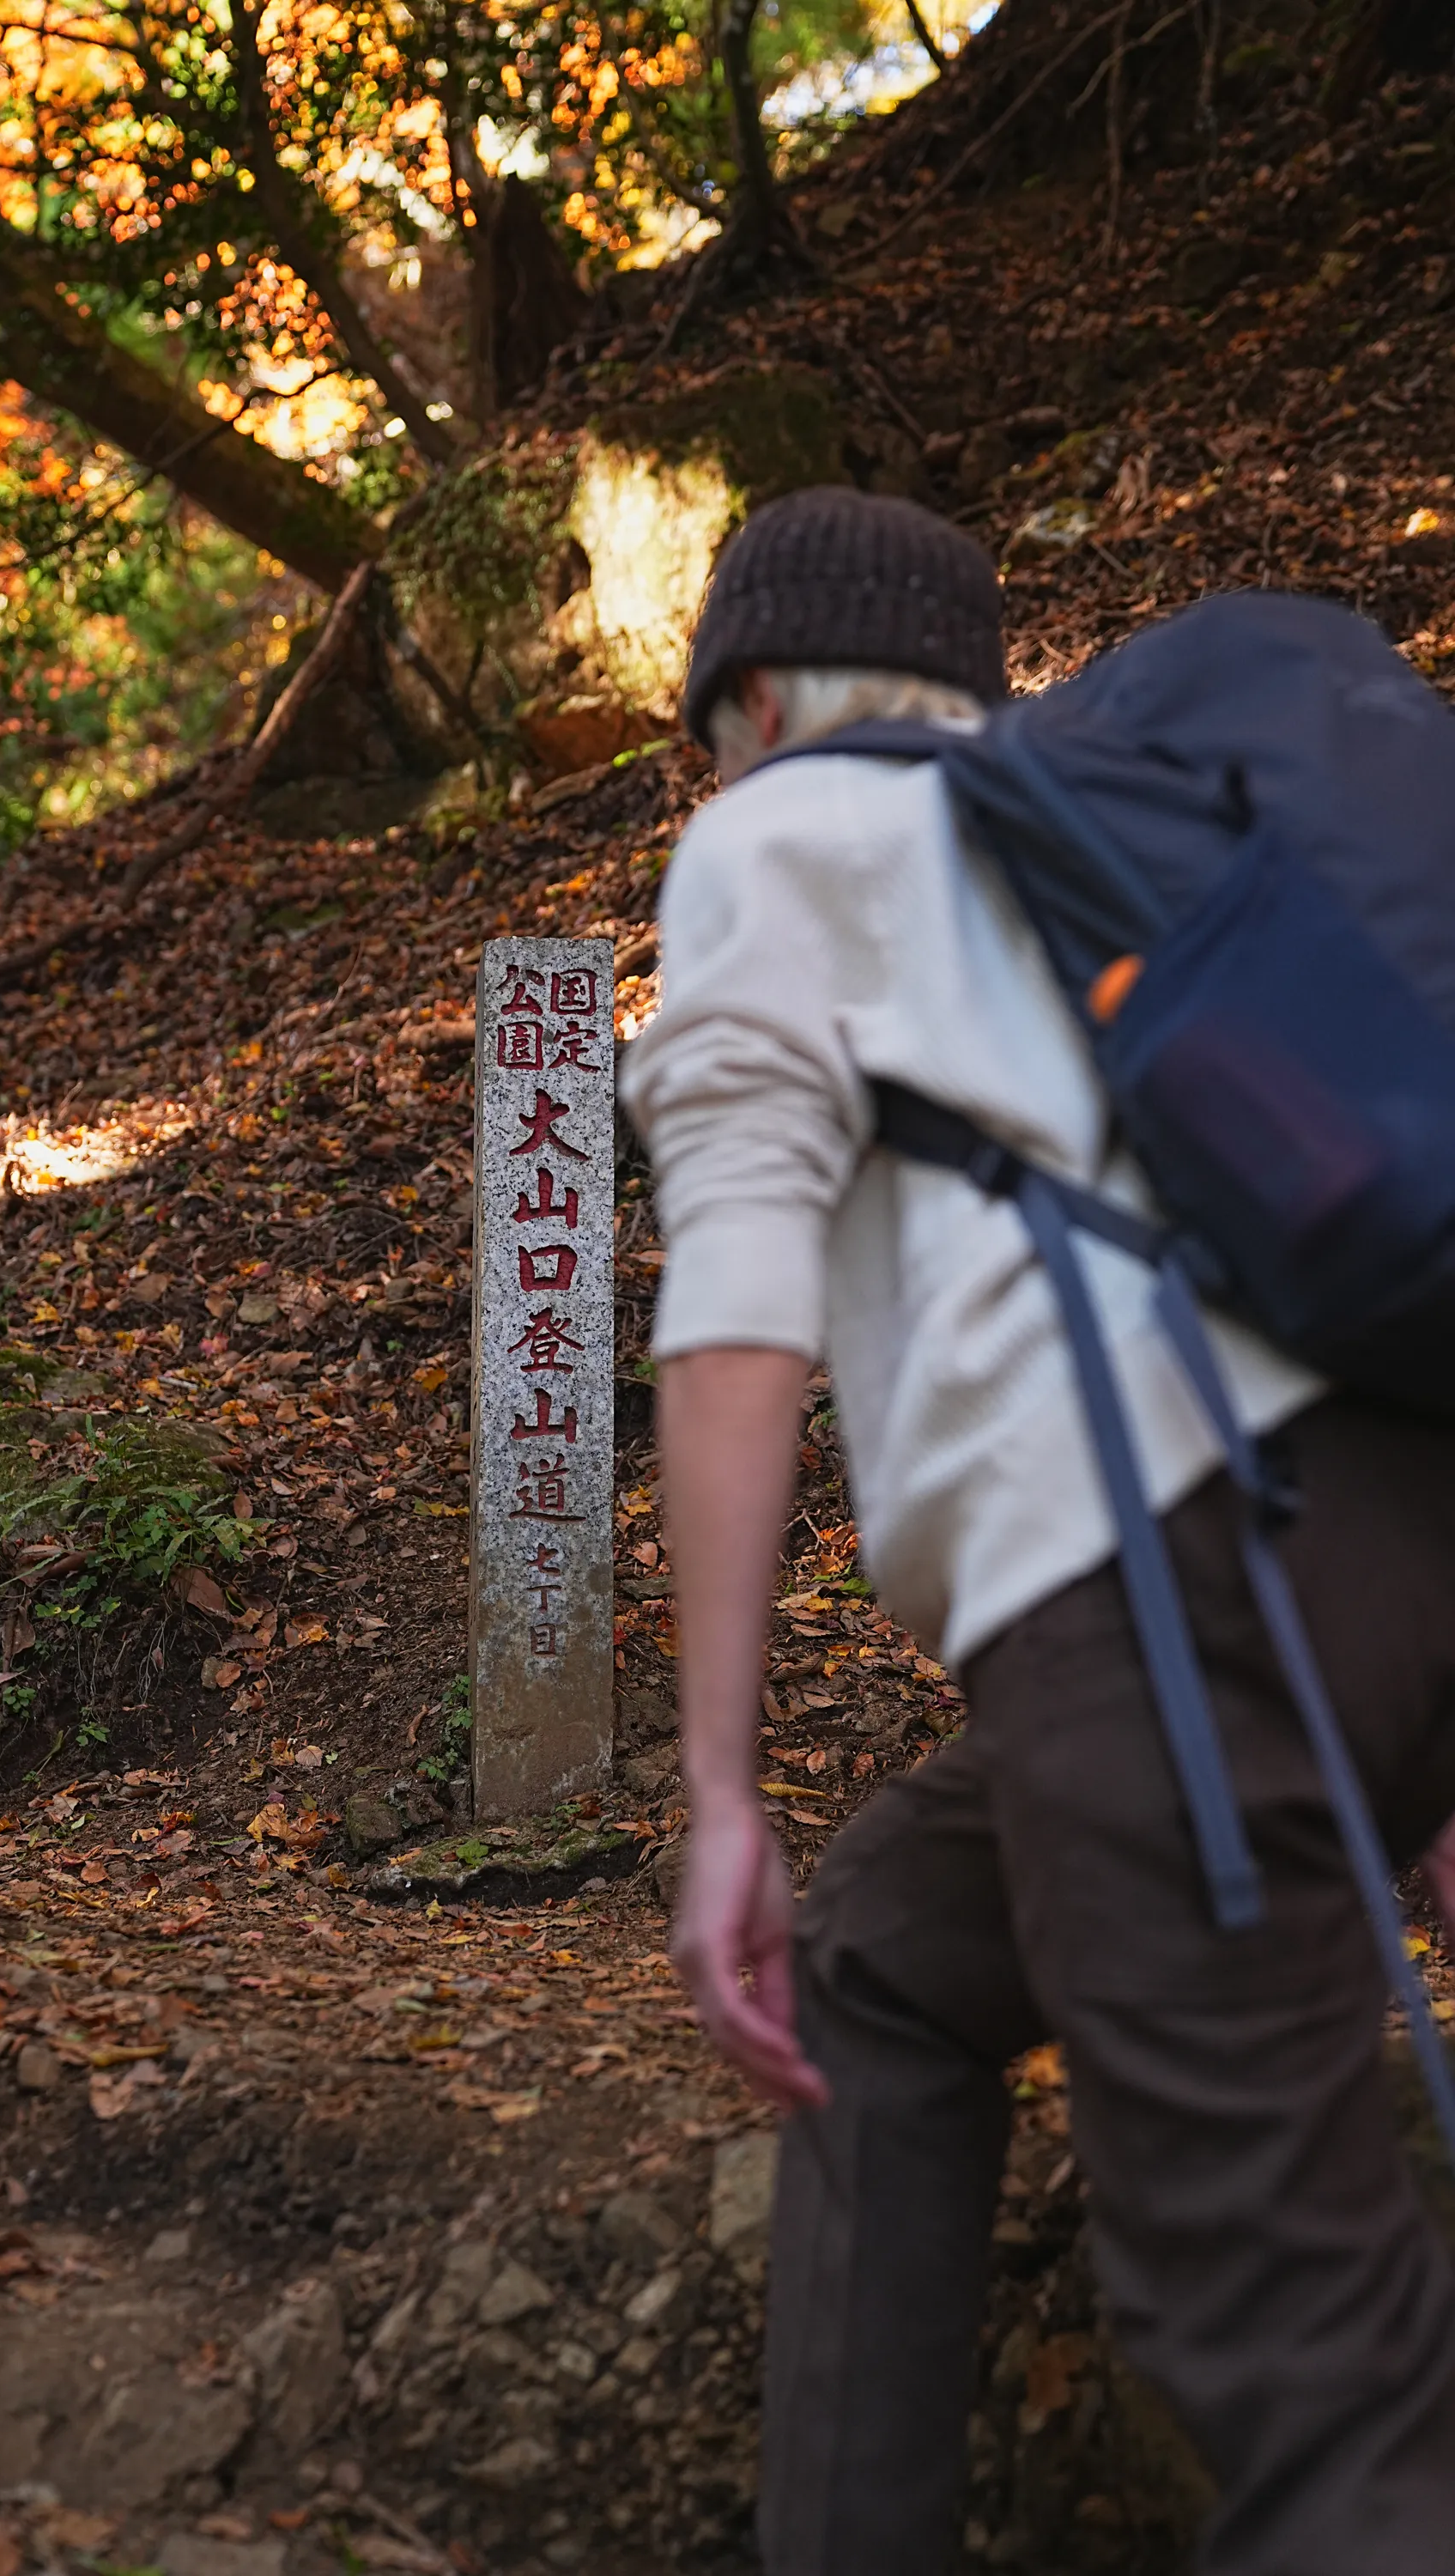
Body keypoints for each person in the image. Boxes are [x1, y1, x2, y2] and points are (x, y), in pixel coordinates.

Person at [618, 485, 1455, 2576]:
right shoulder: (1088, 857)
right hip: (1384, 1541)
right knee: (884, 1959)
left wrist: (715, 1788)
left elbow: (736, 1317)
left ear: (753, 702)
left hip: (1174, 1613)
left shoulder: (777, 841)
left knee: (1312, 2391)